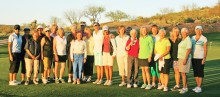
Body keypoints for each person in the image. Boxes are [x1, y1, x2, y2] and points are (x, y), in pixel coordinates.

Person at [191, 26, 207, 93]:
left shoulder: (204, 38)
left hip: (200, 58)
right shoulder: (192, 38)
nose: (198, 31)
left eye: (200, 30)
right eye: (197, 30)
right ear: (195, 31)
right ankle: (198, 86)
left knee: (200, 72)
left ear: (202, 30)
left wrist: (204, 58)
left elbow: (205, 49)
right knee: (195, 72)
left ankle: (199, 87)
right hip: (193, 57)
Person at [177, 28, 192, 94]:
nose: (183, 33)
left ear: (187, 33)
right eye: (182, 32)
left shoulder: (188, 39)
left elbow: (189, 50)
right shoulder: (183, 39)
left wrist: (185, 59)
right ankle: (185, 87)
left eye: (184, 32)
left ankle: (184, 88)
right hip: (180, 58)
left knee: (183, 73)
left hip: (184, 58)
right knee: (182, 73)